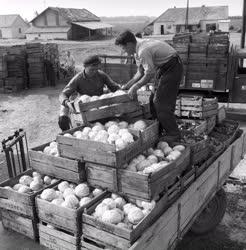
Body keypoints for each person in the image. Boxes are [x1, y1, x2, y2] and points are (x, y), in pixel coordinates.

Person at [115, 30, 183, 141]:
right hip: (163, 68)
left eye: (123, 48)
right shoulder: (136, 49)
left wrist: (136, 87)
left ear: (129, 44)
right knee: (152, 101)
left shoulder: (143, 50)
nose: (124, 51)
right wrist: (128, 85)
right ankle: (159, 130)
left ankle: (174, 134)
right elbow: (140, 71)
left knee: (161, 102)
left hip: (172, 68)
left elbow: (149, 73)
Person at [58, 54, 121, 131]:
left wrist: (121, 91)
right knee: (62, 119)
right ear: (85, 67)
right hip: (85, 108)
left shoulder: (101, 75)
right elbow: (63, 94)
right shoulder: (78, 78)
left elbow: (114, 87)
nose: (94, 72)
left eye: (96, 69)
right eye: (92, 70)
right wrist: (67, 103)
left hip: (99, 106)